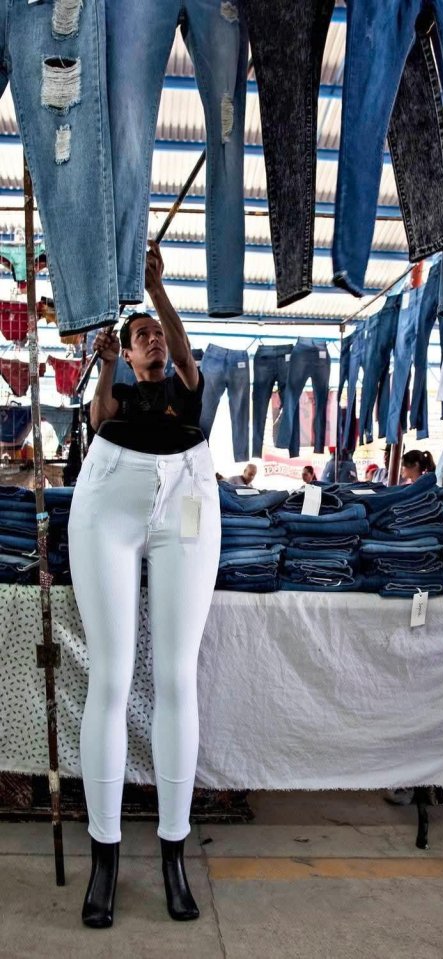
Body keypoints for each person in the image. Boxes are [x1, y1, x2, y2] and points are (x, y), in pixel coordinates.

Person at [68, 241, 221, 929]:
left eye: (156, 334)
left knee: (176, 677)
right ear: (129, 355)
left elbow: (186, 360)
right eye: (142, 337)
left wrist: (158, 293)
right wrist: (104, 362)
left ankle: (173, 856)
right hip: (111, 494)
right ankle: (104, 858)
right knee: (110, 676)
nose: (154, 340)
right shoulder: (121, 391)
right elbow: (100, 420)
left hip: (187, 488)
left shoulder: (184, 386)